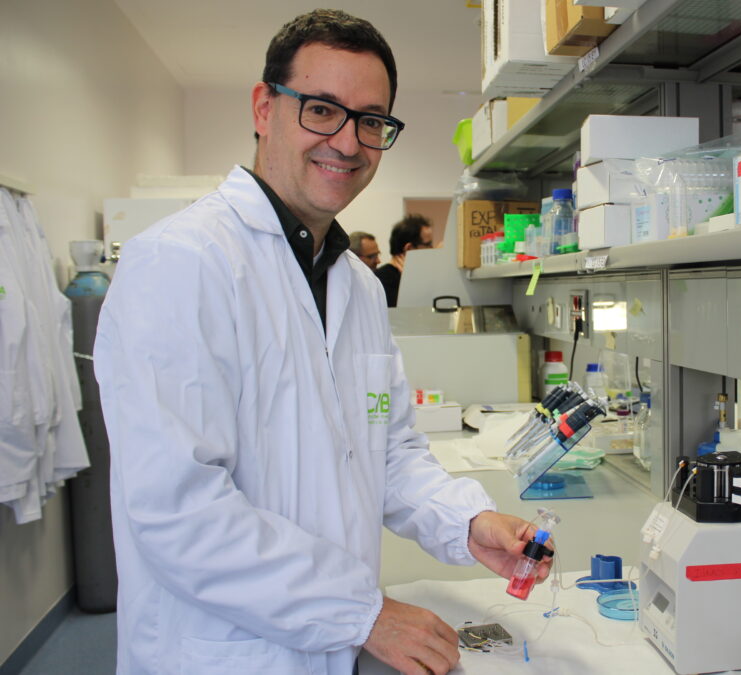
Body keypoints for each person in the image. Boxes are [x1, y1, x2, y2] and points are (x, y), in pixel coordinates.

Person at [94, 10, 548, 675]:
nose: (348, 141)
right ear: (264, 107)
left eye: (371, 121)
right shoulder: (179, 264)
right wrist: (363, 614)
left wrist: (469, 522)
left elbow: (388, 453)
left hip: (332, 644)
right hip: (223, 655)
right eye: (322, 110)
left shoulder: (355, 285)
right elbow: (179, 511)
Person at [374, 213, 432, 307]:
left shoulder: (417, 276)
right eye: (428, 244)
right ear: (409, 248)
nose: (432, 249)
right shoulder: (381, 280)